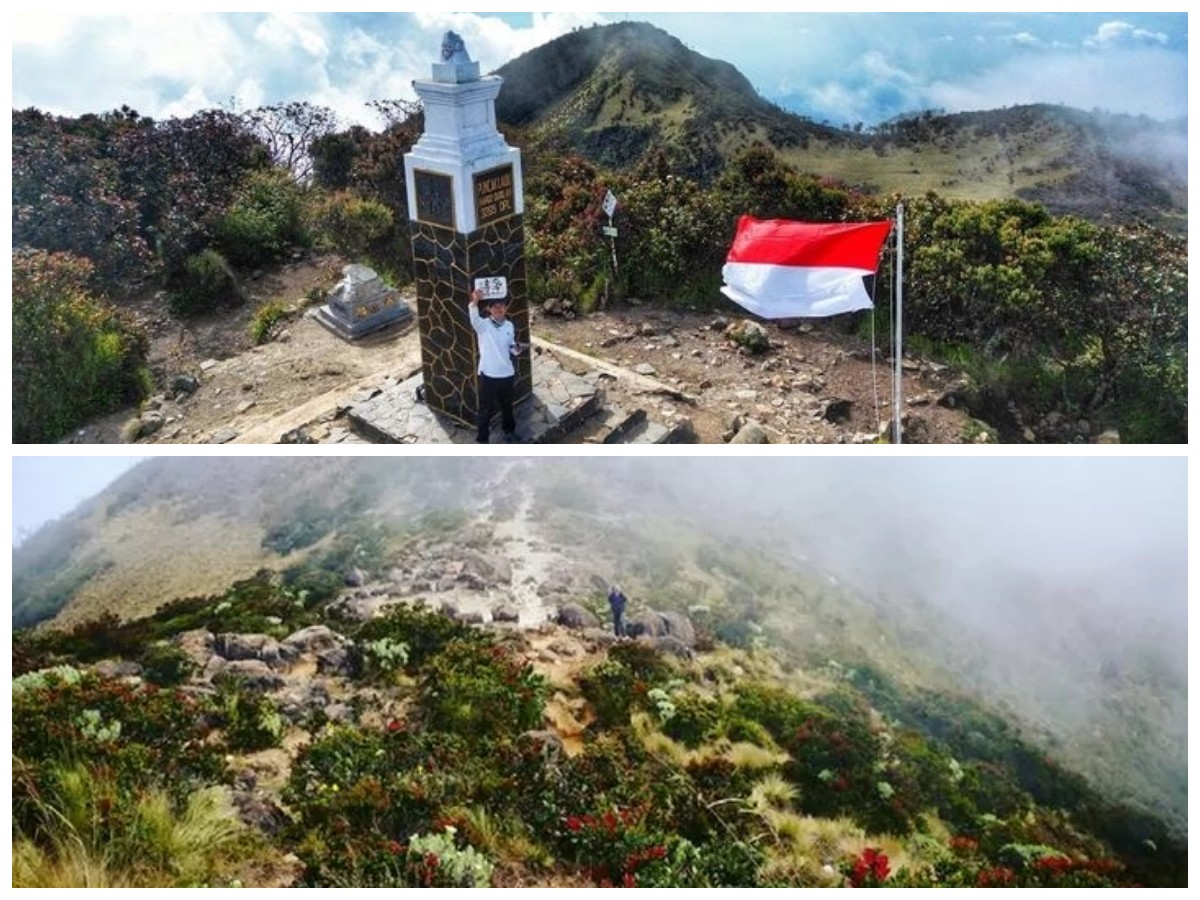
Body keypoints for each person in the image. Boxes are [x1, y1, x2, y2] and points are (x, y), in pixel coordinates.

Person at [467, 288, 523, 443]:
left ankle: (509, 431)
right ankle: (483, 439)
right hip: (489, 375)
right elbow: (473, 317)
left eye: (501, 306)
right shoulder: (483, 325)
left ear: (505, 308)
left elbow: (511, 346)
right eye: (495, 307)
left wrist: (516, 349)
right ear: (489, 309)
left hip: (507, 373)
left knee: (507, 406)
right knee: (485, 410)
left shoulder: (509, 325)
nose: (499, 309)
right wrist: (475, 301)